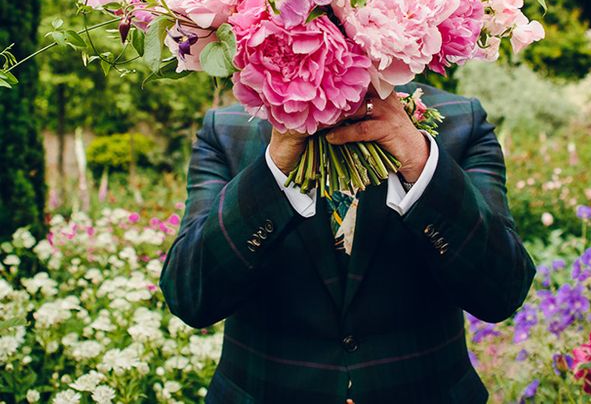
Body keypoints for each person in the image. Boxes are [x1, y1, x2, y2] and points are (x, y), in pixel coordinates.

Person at [159, 81, 536, 404]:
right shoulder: (227, 131)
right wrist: (274, 170)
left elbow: (502, 291)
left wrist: (419, 162)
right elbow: (190, 296)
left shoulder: (460, 121)